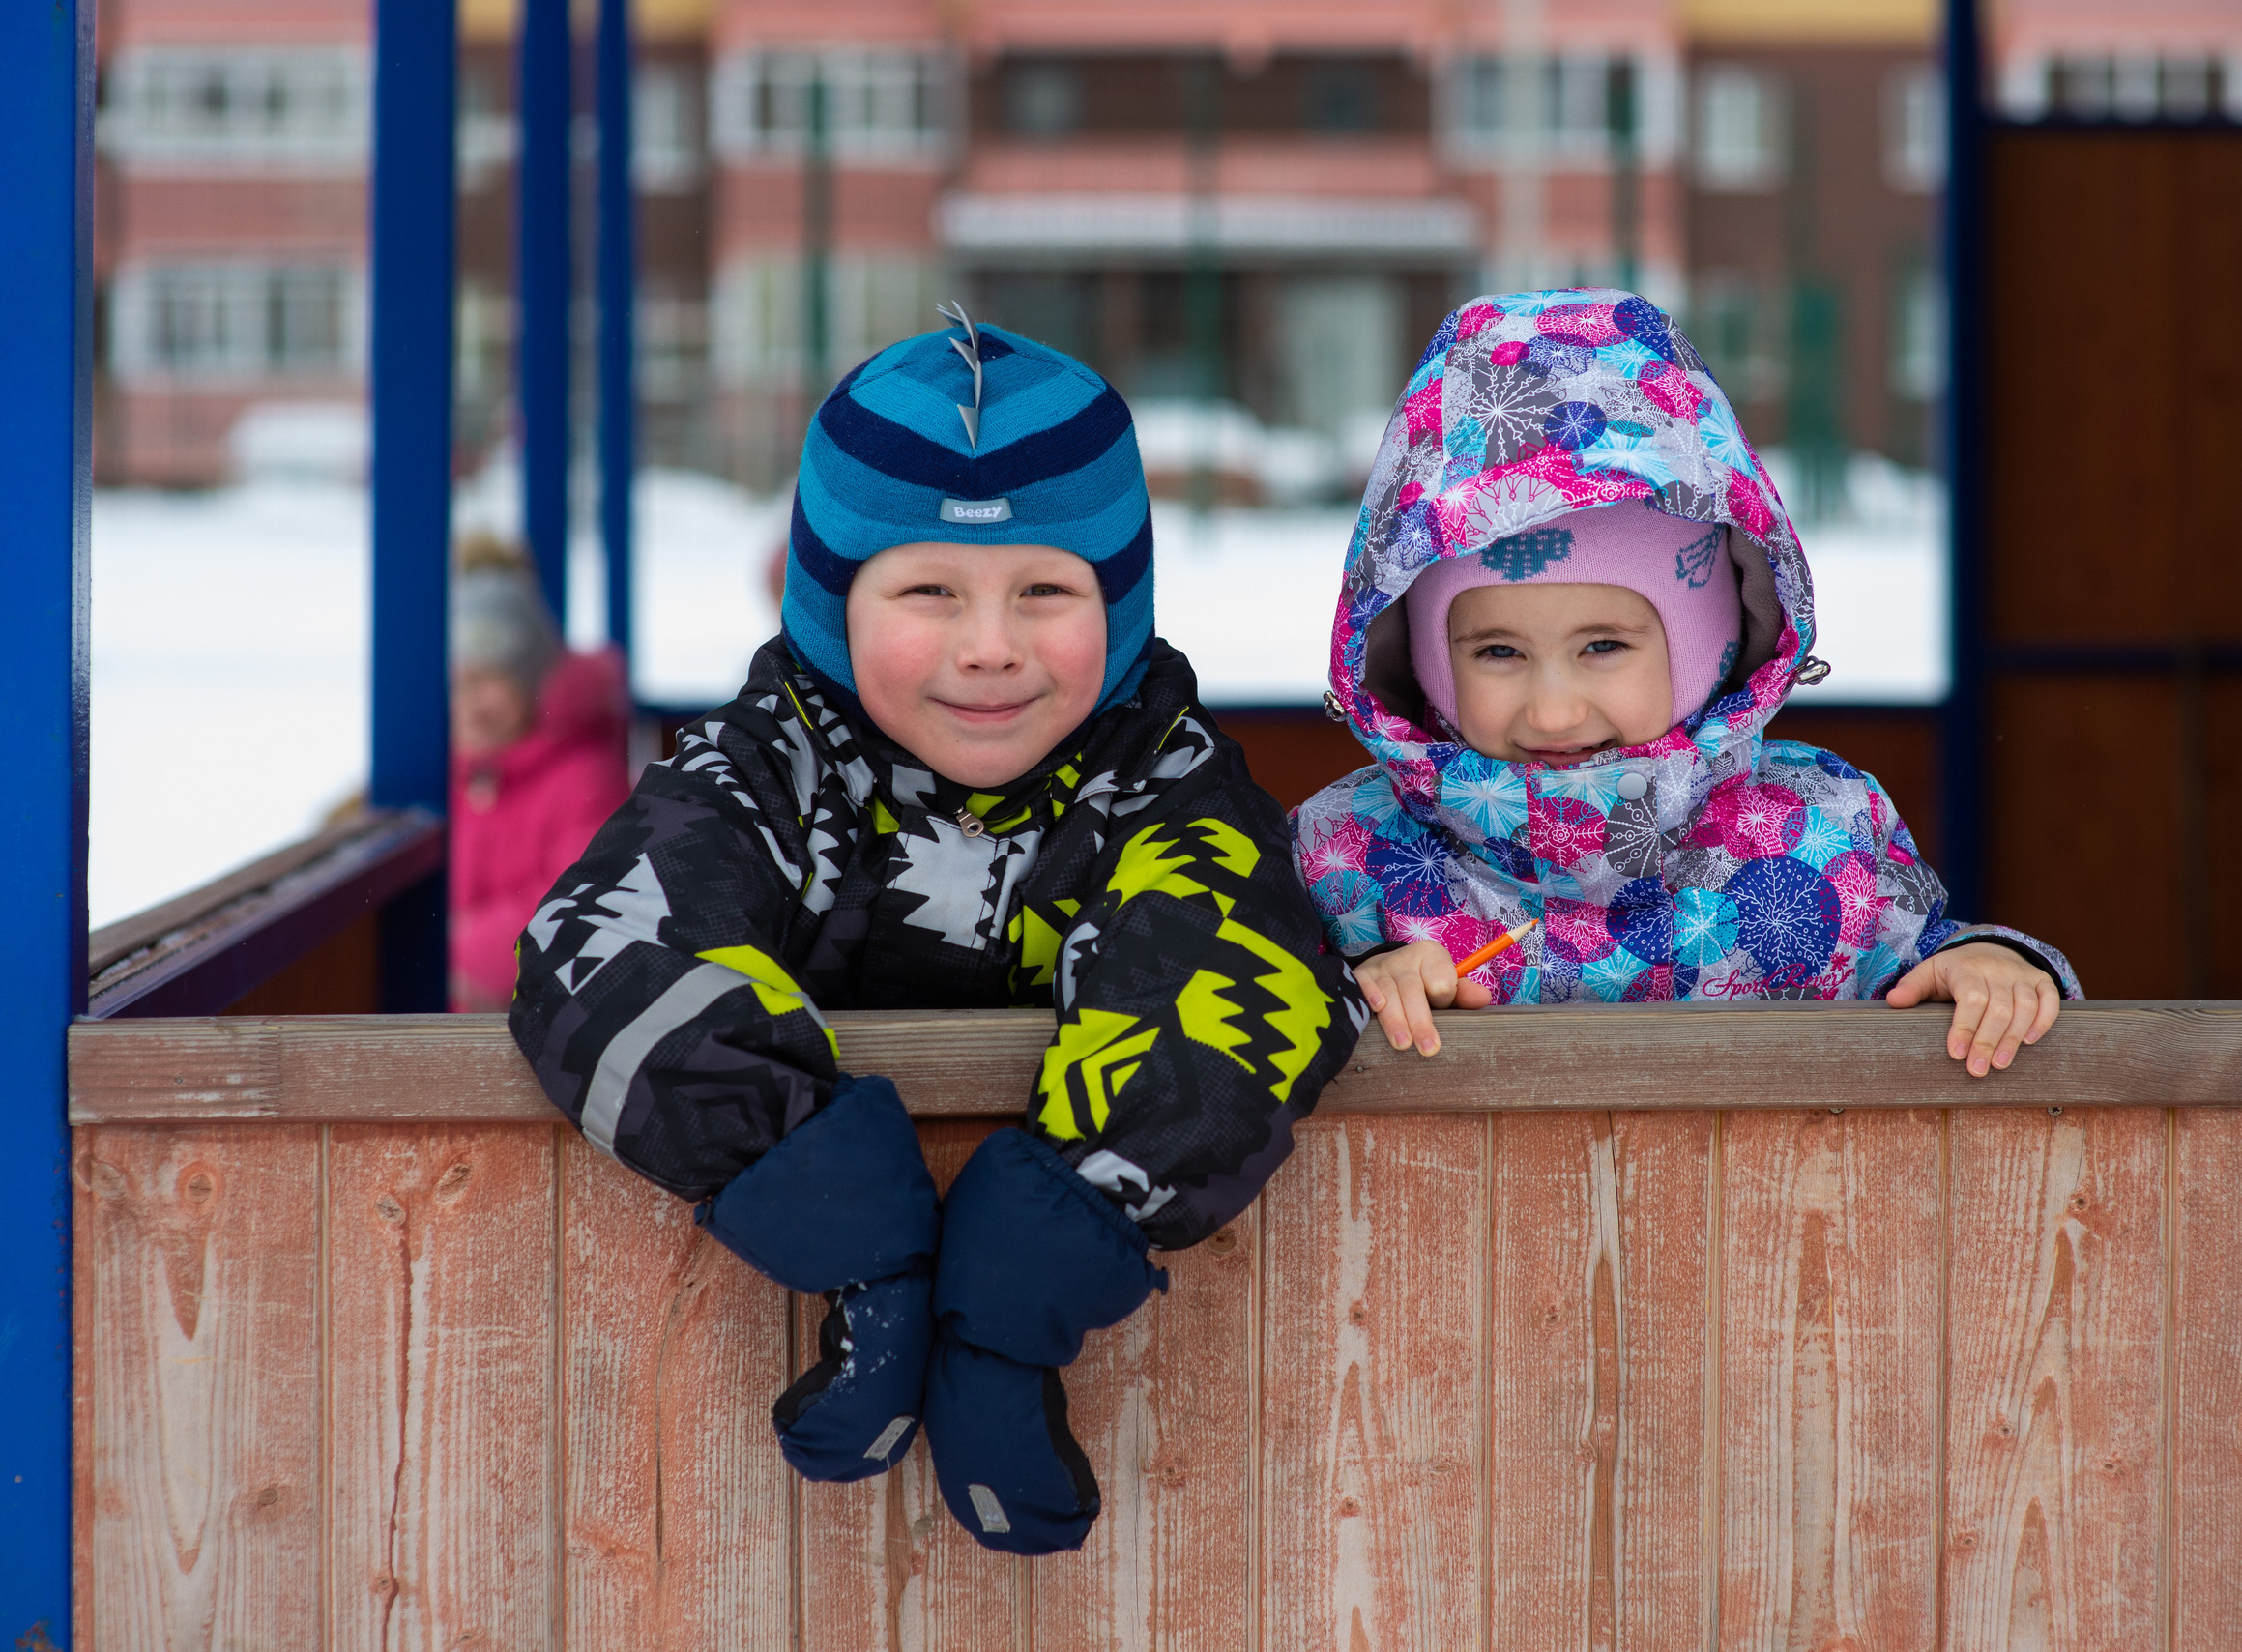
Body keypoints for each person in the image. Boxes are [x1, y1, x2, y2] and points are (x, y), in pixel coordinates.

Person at [510, 311, 1363, 1555]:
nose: (989, 646)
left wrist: (1020, 1289)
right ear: (828, 597)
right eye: (927, 588)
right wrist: (854, 1234)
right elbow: (604, 949)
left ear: (1118, 605)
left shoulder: (1160, 773)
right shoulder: (770, 759)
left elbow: (1243, 975)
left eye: (1046, 590)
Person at [1293, 288, 2079, 1062]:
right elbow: (1223, 1050)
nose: (1555, 710)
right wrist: (1350, 993)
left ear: (1704, 645)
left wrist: (1987, 967)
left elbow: (1923, 962)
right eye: (1499, 652)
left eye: (1603, 646)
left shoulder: (1820, 832)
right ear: (1428, 660)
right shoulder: (1350, 857)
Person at [448, 539, 631, 1012]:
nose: (473, 705)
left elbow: (579, 902)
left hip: (545, 1023)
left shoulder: (584, 777)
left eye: (491, 681)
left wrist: (454, 952)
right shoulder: (453, 777)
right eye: (460, 683)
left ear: (533, 684)